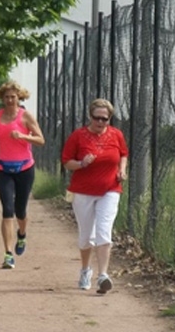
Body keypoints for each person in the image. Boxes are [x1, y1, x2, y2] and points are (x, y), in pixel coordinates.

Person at [61, 98, 128, 294]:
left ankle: (103, 275)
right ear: (90, 117)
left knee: (104, 230)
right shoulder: (78, 136)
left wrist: (121, 170)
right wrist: (82, 163)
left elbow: (123, 153)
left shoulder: (116, 135)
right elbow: (66, 162)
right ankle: (85, 270)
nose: (100, 122)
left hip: (110, 189)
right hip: (83, 191)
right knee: (85, 237)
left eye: (105, 119)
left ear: (109, 119)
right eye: (96, 118)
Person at [0, 81, 45, 269]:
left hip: (25, 168)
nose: (9, 100)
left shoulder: (26, 117)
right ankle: (8, 254)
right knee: (7, 210)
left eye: (13, 97)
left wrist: (24, 136)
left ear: (19, 98)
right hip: (3, 168)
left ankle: (22, 234)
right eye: (6, 97)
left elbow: (41, 140)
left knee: (21, 210)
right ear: (2, 98)